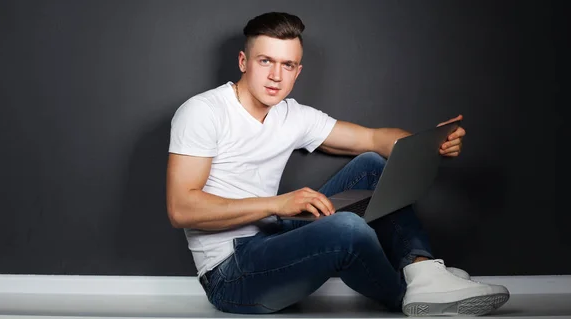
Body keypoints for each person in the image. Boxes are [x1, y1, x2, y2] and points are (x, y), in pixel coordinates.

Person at [166, 12, 509, 317]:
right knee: (347, 228)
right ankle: (408, 296)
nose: (275, 76)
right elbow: (182, 208)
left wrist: (432, 145)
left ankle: (423, 271)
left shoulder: (292, 115)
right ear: (244, 61)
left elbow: (376, 140)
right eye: (265, 61)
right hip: (230, 273)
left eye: (287, 65)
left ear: (297, 71)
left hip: (274, 235)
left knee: (372, 164)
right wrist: (279, 204)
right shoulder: (204, 112)